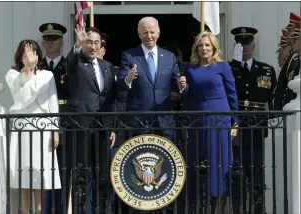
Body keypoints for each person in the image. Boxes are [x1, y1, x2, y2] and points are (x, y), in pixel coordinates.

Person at [178, 31, 238, 213]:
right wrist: (182, 87)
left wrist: (235, 121)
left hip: (220, 118)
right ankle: (200, 202)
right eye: (201, 45)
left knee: (220, 159)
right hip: (198, 118)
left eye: (207, 45)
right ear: (196, 48)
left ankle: (219, 202)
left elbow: (232, 93)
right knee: (199, 158)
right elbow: (188, 95)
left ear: (214, 47)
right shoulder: (190, 69)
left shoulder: (223, 66)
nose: (204, 48)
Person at [66, 23, 117, 213]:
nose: (93, 46)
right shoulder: (76, 63)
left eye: (96, 43)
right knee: (81, 173)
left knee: (102, 173)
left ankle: (100, 209)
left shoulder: (107, 66)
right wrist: (78, 45)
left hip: (102, 127)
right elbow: (69, 63)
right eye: (89, 42)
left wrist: (111, 126)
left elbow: (110, 97)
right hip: (82, 125)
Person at [6, 40, 60, 214]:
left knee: (40, 179)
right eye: (26, 53)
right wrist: (27, 70)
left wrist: (55, 130)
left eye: (33, 53)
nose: (30, 57)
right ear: (19, 57)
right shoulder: (13, 75)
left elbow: (53, 104)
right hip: (22, 130)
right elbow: (21, 98)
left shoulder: (47, 76)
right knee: (23, 179)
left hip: (43, 130)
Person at [228, 27, 277, 214]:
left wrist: (272, 118)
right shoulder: (230, 68)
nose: (244, 47)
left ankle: (258, 209)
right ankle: (237, 209)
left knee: (256, 172)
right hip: (236, 125)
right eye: (240, 43)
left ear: (253, 45)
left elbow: (273, 98)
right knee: (236, 173)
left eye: (247, 43)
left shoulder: (266, 69)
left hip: (256, 126)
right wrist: (236, 64)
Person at [117, 16, 180, 144]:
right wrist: (128, 79)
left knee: (164, 161)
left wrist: (181, 87)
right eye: (145, 32)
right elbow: (120, 84)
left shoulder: (169, 57)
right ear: (139, 34)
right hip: (139, 121)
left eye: (152, 32)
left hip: (164, 120)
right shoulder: (129, 56)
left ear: (158, 33)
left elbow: (176, 83)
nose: (149, 36)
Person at [39, 22, 70, 214]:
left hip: (65, 122)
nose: (50, 43)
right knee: (42, 170)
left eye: (54, 39)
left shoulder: (70, 65)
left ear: (61, 41)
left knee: (63, 170)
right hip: (41, 123)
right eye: (47, 39)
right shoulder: (38, 66)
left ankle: (59, 209)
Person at [274, 14, 300, 110]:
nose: (292, 41)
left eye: (295, 38)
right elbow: (280, 88)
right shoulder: (292, 59)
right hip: (290, 111)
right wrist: (276, 115)